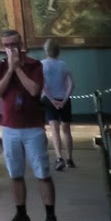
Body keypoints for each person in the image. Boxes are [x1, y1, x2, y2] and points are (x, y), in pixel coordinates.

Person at [0, 28, 60, 221]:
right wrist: (10, 70)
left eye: (14, 45)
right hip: (10, 128)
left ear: (21, 45)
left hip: (33, 128)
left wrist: (19, 69)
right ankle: (21, 215)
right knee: (16, 174)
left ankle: (50, 217)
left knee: (42, 173)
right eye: (7, 45)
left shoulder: (35, 65)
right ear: (2, 47)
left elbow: (33, 90)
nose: (11, 49)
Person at [42, 38, 75, 171]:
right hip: (64, 100)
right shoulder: (63, 65)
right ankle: (70, 159)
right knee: (66, 130)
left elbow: (42, 86)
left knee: (54, 130)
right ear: (58, 51)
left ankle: (59, 157)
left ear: (45, 50)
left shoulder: (42, 64)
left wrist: (52, 100)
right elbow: (71, 84)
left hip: (49, 101)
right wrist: (64, 100)